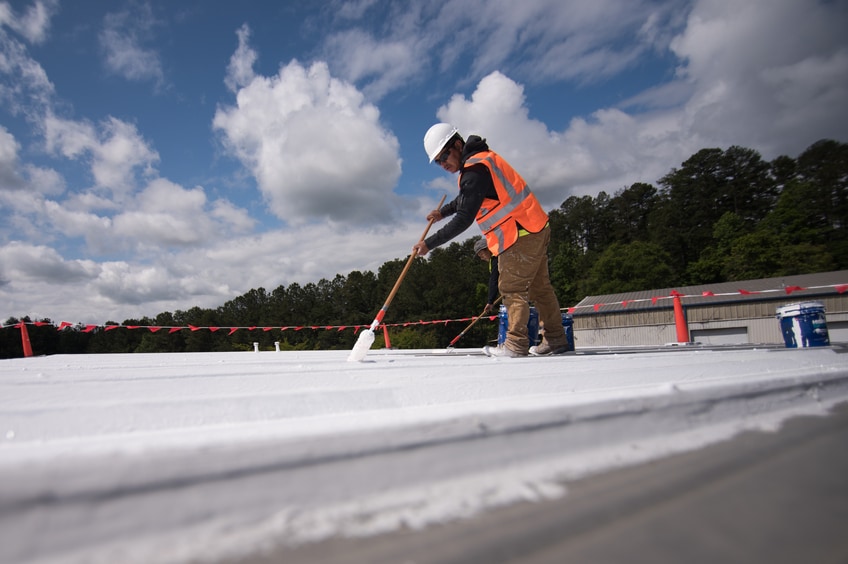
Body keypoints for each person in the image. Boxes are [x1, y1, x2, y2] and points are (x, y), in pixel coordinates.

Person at [413, 123, 570, 357]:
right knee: (540, 289)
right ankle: (556, 340)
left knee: (512, 288)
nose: (443, 164)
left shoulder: (475, 170)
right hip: (534, 226)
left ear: (457, 144)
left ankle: (515, 346)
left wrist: (429, 243)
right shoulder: (480, 162)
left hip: (518, 233)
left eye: (444, 155)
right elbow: (465, 200)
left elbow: (465, 216)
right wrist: (442, 212)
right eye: (438, 161)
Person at [474, 237, 499, 314]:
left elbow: (494, 280)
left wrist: (490, 301)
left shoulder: (496, 259)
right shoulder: (496, 258)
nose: (481, 258)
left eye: (481, 254)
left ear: (488, 249)